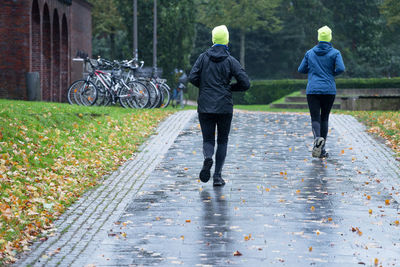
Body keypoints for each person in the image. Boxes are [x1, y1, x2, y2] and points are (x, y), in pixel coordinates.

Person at [189, 25, 250, 186]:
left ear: (213, 39)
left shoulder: (203, 57)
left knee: (208, 139)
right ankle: (217, 176)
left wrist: (204, 87)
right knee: (223, 140)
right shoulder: (231, 61)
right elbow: (245, 83)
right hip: (224, 106)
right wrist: (230, 88)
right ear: (227, 40)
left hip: (205, 106)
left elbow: (192, 77)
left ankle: (208, 157)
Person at [298, 25, 345, 158]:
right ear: (329, 38)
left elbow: (301, 69)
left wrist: (313, 70)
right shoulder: (335, 53)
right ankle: (322, 149)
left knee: (315, 118)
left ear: (318, 38)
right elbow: (341, 68)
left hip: (313, 89)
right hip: (329, 90)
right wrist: (331, 74)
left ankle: (317, 139)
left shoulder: (310, 53)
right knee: (324, 118)